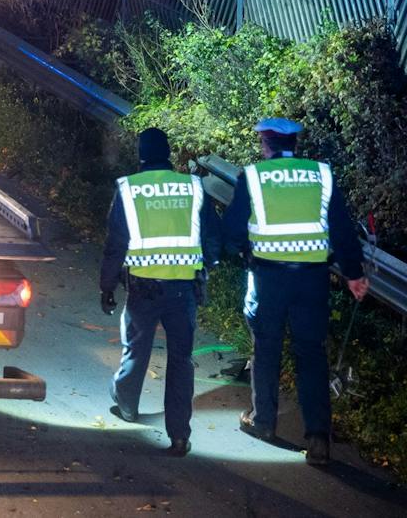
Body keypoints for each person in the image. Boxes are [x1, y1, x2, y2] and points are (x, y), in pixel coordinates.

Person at [222, 116, 369, 467]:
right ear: (295, 145)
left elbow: (231, 229)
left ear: (265, 144)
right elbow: (343, 229)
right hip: (312, 279)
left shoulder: (253, 177)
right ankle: (318, 438)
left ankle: (263, 423)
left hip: (268, 277)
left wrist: (245, 252)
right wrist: (353, 274)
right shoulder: (322, 174)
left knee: (267, 347)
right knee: (311, 355)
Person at [99, 128, 219, 456]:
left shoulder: (129, 189)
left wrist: (107, 286)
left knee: (136, 349)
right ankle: (179, 435)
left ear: (141, 155)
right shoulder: (193, 187)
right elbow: (212, 238)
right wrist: (203, 267)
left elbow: (116, 244)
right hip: (184, 290)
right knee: (181, 361)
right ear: (168, 154)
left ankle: (126, 405)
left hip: (143, 289)